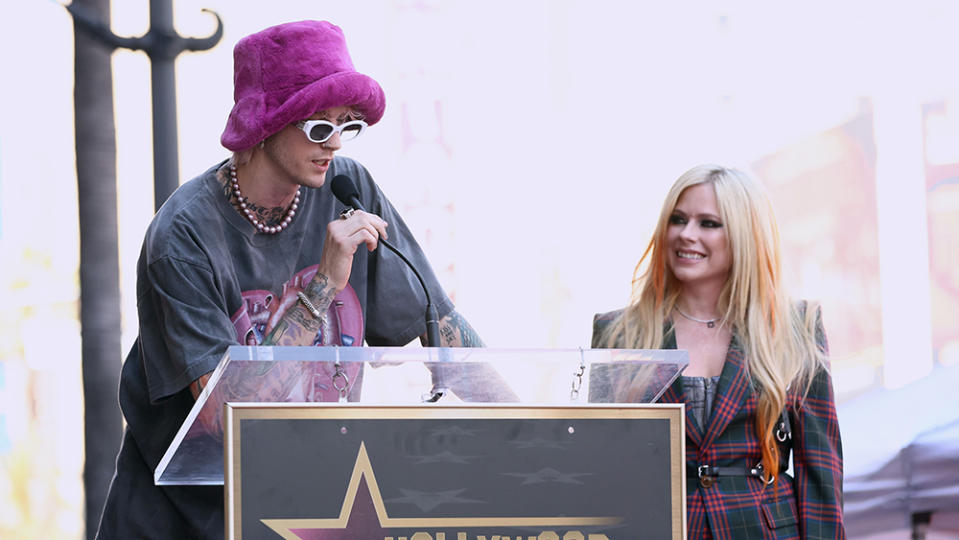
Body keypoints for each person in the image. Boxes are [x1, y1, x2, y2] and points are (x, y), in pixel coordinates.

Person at [96, 20, 493, 539]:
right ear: (265, 123)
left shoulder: (349, 190)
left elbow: (442, 329)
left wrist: (548, 433)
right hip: (185, 521)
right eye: (317, 126)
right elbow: (232, 416)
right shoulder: (184, 235)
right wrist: (323, 285)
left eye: (346, 125)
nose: (334, 145)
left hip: (307, 510)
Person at [592, 165, 845, 539]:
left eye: (708, 223)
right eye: (677, 219)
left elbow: (821, 471)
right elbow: (600, 464)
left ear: (745, 234)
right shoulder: (618, 333)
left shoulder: (796, 327)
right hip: (658, 528)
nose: (686, 234)